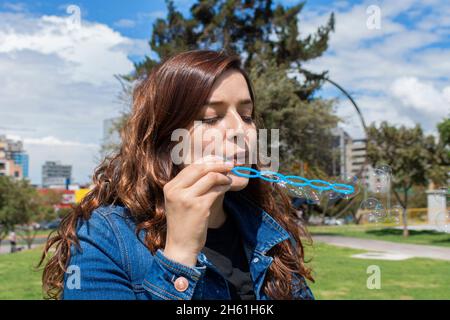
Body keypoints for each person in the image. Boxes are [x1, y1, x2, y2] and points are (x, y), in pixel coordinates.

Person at [38, 50, 314, 300]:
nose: (240, 131)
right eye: (210, 118)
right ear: (166, 139)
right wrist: (179, 256)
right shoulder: (105, 237)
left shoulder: (267, 228)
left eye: (246, 115)